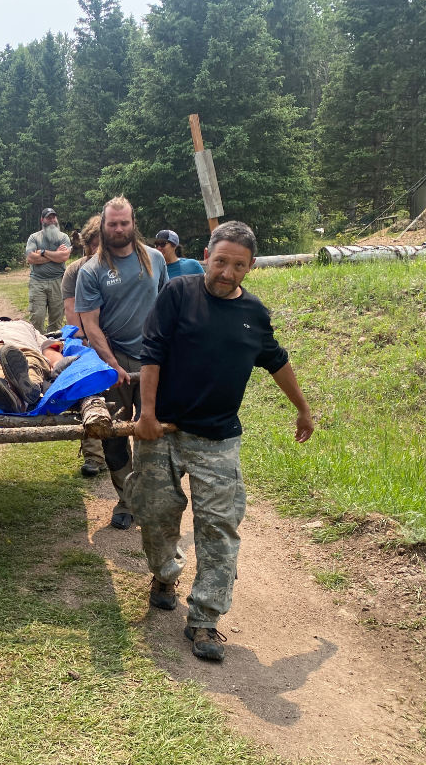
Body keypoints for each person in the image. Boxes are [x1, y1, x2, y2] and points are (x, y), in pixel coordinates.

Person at [129, 220, 314, 662]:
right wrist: (148, 414)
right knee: (154, 511)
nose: (226, 272)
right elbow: (151, 353)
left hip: (217, 439)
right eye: (220, 261)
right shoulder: (177, 294)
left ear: (249, 268)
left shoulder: (253, 313)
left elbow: (276, 361)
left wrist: (303, 408)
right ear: (206, 255)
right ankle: (164, 573)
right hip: (165, 432)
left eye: (238, 265)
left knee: (218, 527)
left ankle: (206, 619)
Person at [75, 196, 168, 531]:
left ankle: (151, 495)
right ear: (103, 225)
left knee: (151, 430)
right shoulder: (91, 271)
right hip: (113, 360)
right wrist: (111, 364)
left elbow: (167, 307)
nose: (118, 229)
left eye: (123, 223)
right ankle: (126, 498)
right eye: (112, 224)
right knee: (113, 434)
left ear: (133, 223)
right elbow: (91, 324)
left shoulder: (155, 259)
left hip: (154, 360)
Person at [62, 214, 106, 479]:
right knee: (89, 391)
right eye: (96, 244)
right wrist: (87, 343)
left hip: (118, 339)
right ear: (88, 244)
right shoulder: (75, 271)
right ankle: (94, 455)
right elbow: (72, 312)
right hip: (87, 339)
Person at [0, 318, 75, 414]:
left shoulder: (28, 327)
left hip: (24, 348)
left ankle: (17, 396)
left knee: (28, 363)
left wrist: (57, 361)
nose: (2, 321)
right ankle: (25, 394)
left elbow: (46, 346)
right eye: (0, 321)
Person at [26, 207, 71, 333]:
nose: (52, 220)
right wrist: (54, 255)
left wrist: (43, 252)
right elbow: (30, 258)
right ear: (42, 220)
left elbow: (64, 256)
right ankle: (37, 346)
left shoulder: (63, 237)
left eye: (53, 217)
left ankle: (53, 346)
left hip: (58, 281)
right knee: (37, 317)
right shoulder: (34, 238)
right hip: (37, 282)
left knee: (57, 319)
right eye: (48, 217)